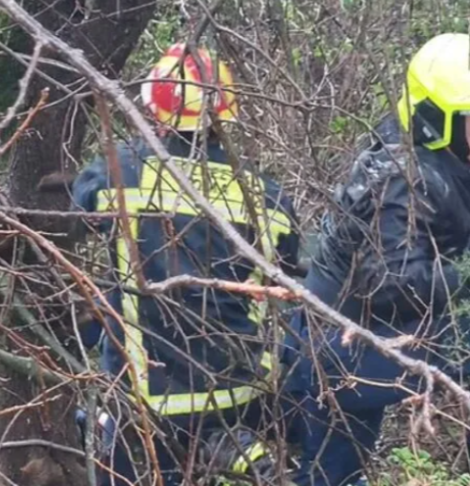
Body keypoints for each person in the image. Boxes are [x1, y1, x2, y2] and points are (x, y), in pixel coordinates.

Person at [280, 33, 470, 486]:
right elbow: (384, 283)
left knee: (332, 473)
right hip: (344, 347)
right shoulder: (401, 179)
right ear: (443, 117)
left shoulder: (451, 158)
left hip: (350, 340)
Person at [69, 42, 303, 485]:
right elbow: (290, 274)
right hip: (237, 396)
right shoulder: (267, 198)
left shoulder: (122, 174)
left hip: (144, 399)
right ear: (225, 116)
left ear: (154, 112)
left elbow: (75, 211)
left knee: (102, 421)